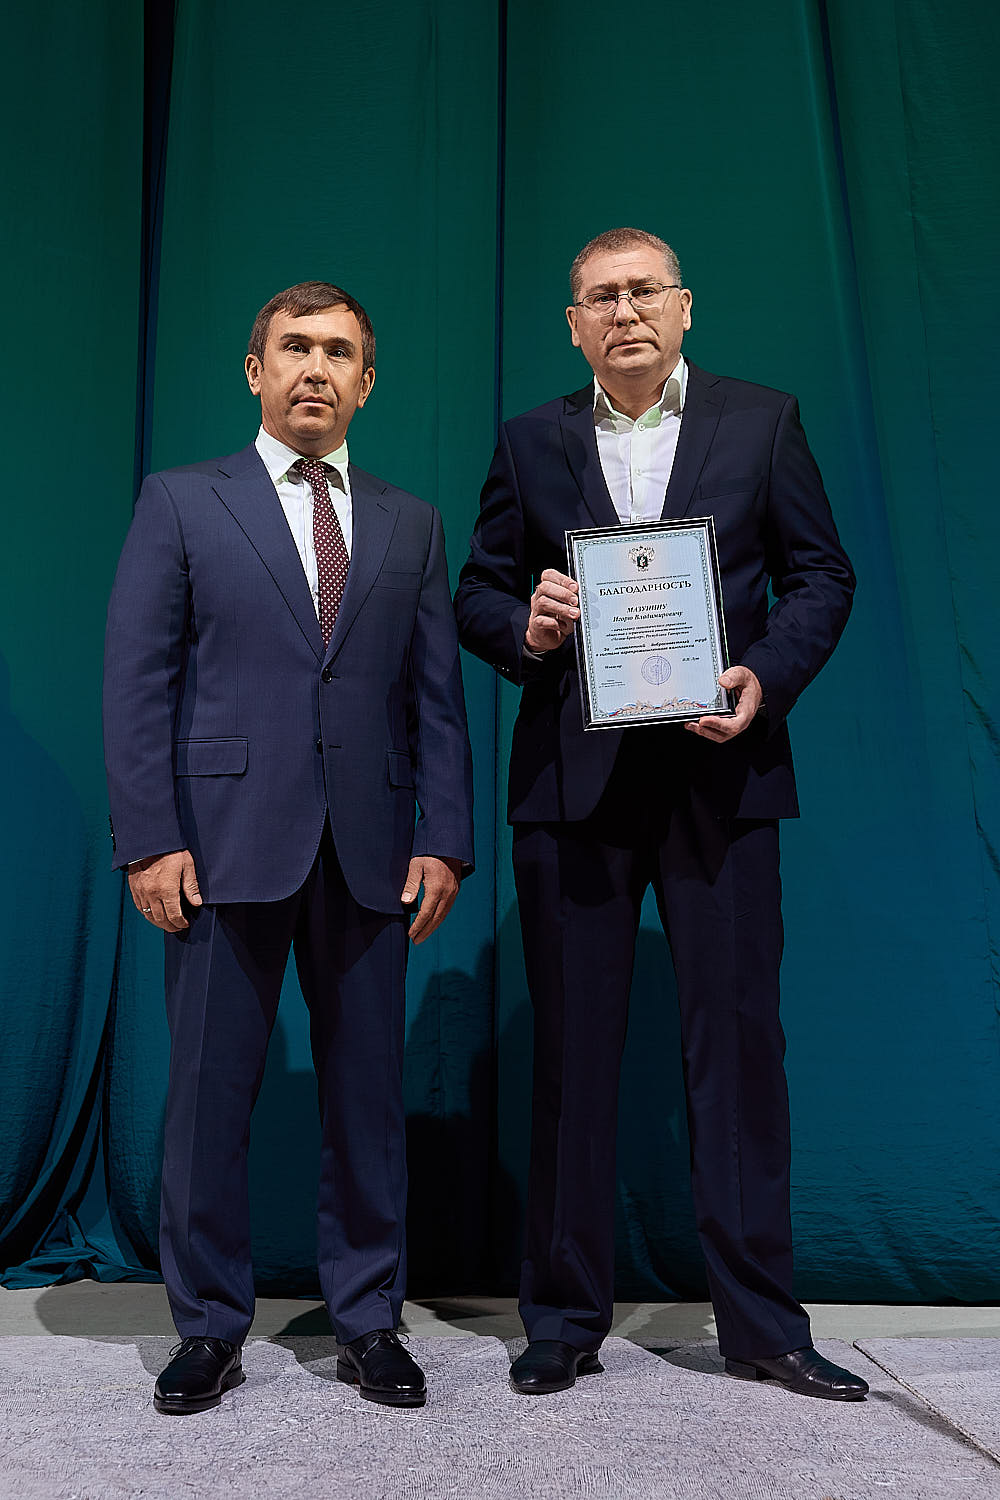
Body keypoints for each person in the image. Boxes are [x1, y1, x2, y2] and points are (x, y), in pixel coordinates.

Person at [455, 228, 868, 1402]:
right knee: (571, 1060)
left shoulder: (763, 421)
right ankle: (562, 1320)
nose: (624, 311)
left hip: (719, 775)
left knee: (737, 1055)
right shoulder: (530, 439)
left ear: (684, 308)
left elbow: (822, 575)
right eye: (600, 297)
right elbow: (477, 590)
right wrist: (526, 627)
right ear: (573, 325)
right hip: (572, 788)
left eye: (643, 291)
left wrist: (765, 676)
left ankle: (762, 1328)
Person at [104, 281, 473, 1415]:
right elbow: (137, 681)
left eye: (340, 353)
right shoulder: (180, 501)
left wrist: (446, 840)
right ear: (255, 370)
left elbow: (436, 698)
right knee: (207, 1101)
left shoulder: (412, 522)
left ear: (368, 382)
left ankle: (369, 1320)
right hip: (219, 851)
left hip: (372, 853)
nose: (317, 368)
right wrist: (150, 840)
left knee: (367, 1102)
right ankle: (207, 1328)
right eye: (296, 347)